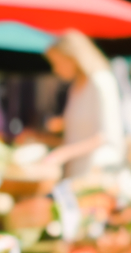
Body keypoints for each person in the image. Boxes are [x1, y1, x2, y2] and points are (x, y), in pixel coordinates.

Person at [44, 30, 125, 179]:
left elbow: (104, 135)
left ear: (72, 58)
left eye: (58, 63)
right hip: (77, 172)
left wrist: (64, 153)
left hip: (98, 172)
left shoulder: (101, 81)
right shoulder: (76, 86)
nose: (56, 69)